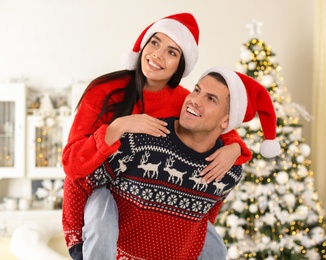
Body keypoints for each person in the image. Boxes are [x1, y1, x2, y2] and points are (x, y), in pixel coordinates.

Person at [61, 13, 253, 260]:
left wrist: (235, 148)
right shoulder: (105, 92)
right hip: (100, 194)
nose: (158, 55)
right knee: (103, 217)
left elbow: (217, 124)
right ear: (143, 45)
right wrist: (118, 127)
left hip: (144, 208)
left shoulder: (183, 101)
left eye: (172, 52)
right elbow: (73, 167)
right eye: (155, 43)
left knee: (216, 248)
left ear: (180, 65)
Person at [76, 66, 280, 259]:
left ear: (226, 121)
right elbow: (84, 183)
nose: (194, 100)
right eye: (197, 90)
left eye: (210, 99)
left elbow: (204, 218)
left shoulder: (229, 172)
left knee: (216, 248)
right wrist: (74, 241)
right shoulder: (143, 139)